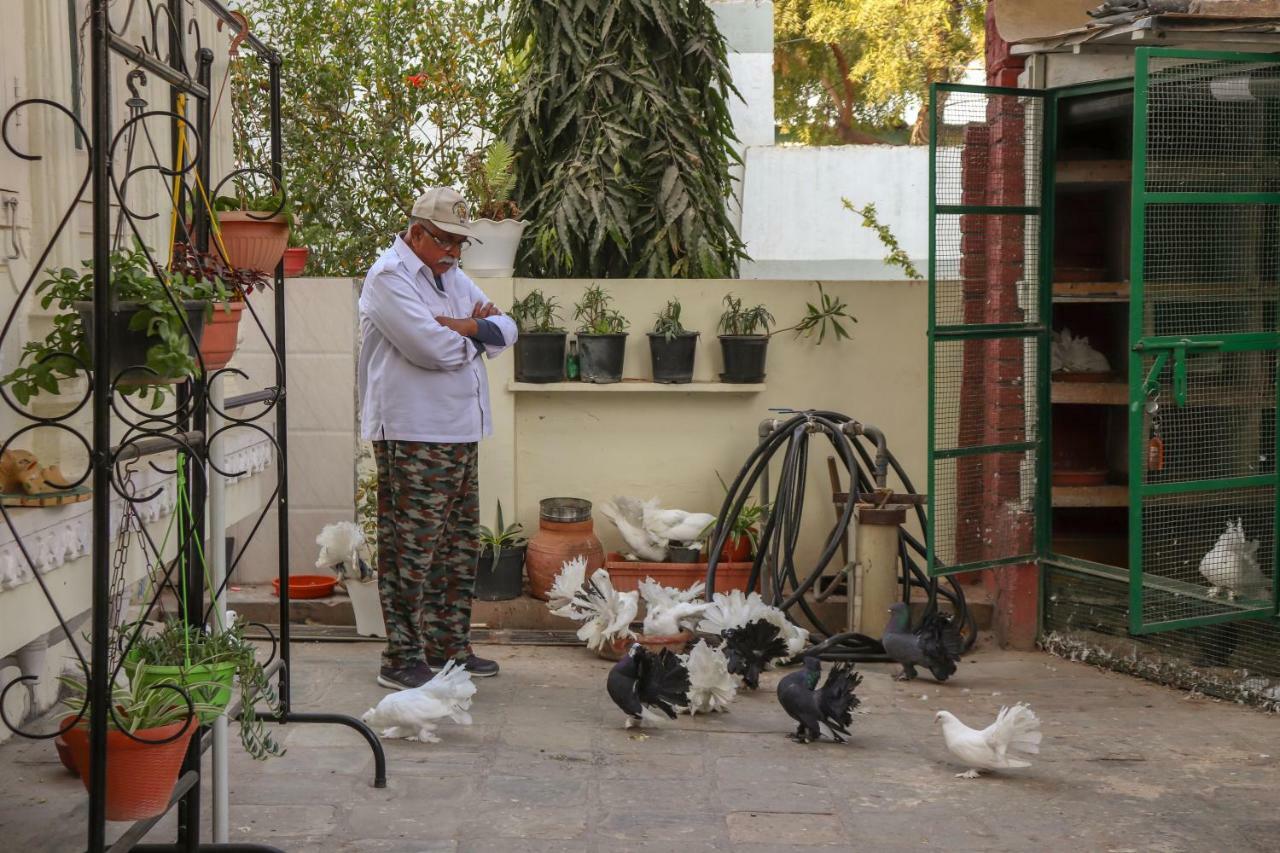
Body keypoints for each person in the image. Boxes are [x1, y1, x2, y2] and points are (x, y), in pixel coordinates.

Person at [357, 187, 518, 689]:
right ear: (417, 232)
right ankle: (402, 657)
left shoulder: (450, 276)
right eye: (447, 241)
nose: (454, 251)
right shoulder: (389, 277)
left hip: (460, 430)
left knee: (456, 547)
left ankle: (450, 647)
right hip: (413, 432)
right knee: (411, 548)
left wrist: (468, 325)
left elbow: (509, 328)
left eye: (460, 244)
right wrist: (479, 333)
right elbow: (433, 349)